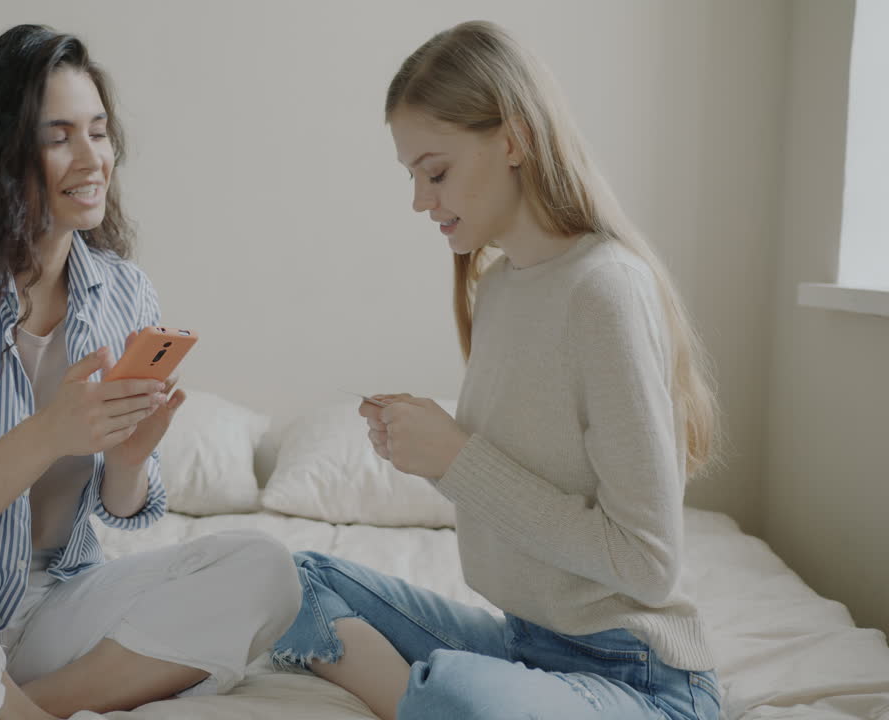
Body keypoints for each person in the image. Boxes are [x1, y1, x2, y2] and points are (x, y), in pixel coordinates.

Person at [0, 25, 300, 720]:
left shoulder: (124, 292)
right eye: (59, 136)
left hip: (51, 607)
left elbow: (123, 508)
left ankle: (13, 707)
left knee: (263, 568)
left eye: (99, 132)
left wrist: (128, 459)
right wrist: (49, 434)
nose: (92, 158)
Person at [271, 20, 722, 720]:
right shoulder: (502, 287)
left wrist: (457, 459)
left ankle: (433, 700)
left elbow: (647, 563)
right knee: (293, 579)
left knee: (458, 690)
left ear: (512, 141)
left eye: (436, 172)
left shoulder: (605, 289)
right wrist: (431, 455)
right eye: (413, 176)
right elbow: (521, 491)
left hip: (638, 677)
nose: (420, 200)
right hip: (526, 643)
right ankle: (430, 701)